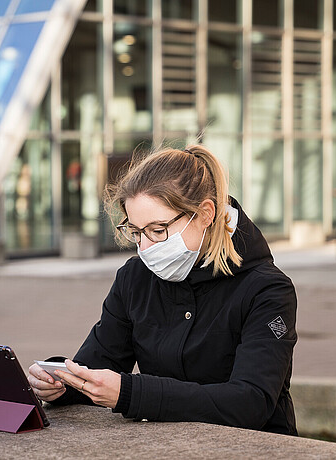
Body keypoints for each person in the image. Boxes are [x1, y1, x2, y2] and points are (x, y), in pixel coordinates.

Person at [27, 145, 298, 435]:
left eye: (158, 230)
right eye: (135, 231)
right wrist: (60, 382)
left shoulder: (267, 289)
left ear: (205, 213)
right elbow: (97, 366)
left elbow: (250, 403)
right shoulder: (135, 278)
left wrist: (131, 393)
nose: (145, 247)